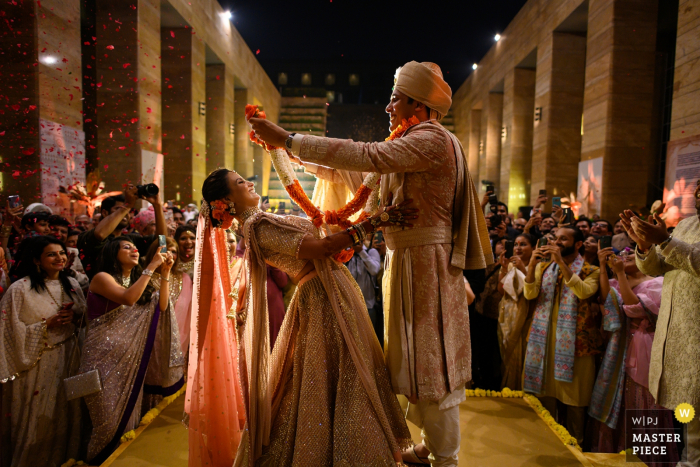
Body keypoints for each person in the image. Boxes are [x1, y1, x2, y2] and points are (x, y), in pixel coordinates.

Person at [250, 61, 492, 466]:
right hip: (407, 262)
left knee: (432, 364)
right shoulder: (411, 141)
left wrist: (290, 139)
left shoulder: (432, 139)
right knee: (412, 362)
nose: (388, 107)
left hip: (427, 267)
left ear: (418, 103)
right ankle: (432, 446)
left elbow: (368, 155)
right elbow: (359, 171)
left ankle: (445, 456)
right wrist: (286, 150)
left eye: (395, 98)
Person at [198, 169, 415, 466]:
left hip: (326, 290)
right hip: (323, 297)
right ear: (226, 201)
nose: (249, 182)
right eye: (240, 183)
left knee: (342, 372)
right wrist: (375, 222)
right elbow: (323, 247)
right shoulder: (258, 227)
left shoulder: (258, 223)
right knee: (345, 372)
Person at [621, 182, 700, 466]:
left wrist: (664, 240)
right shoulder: (689, 225)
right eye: (699, 190)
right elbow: (656, 268)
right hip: (680, 336)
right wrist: (645, 245)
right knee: (688, 429)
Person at [79, 237, 173, 464]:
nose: (133, 249)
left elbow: (162, 306)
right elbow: (129, 299)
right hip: (101, 361)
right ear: (113, 253)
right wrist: (151, 267)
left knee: (127, 421)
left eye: (134, 246)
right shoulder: (102, 278)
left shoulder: (137, 279)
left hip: (129, 361)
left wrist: (165, 273)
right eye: (126, 247)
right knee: (106, 424)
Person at [0, 236, 86, 467]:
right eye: (51, 254)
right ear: (37, 260)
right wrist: (45, 325)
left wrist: (75, 317)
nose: (59, 257)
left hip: (69, 357)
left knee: (67, 417)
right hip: (36, 364)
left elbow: (85, 320)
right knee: (37, 420)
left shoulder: (73, 284)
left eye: (61, 253)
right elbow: (7, 330)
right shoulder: (20, 289)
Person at [524, 227, 602, 446]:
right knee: (545, 398)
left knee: (575, 402)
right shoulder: (543, 267)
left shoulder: (591, 270)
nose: (557, 242)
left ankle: (576, 449)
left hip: (576, 345)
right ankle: (545, 444)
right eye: (555, 238)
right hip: (545, 343)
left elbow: (584, 292)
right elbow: (529, 293)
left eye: (563, 239)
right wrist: (531, 264)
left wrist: (561, 264)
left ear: (578, 244)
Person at [77, 185, 166, 278]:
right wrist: (127, 205)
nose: (126, 213)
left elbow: (161, 243)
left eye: (128, 210)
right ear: (104, 213)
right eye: (119, 208)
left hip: (134, 291)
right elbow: (100, 234)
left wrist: (157, 205)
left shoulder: (130, 239)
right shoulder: (86, 237)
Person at [142, 238, 187, 409]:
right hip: (153, 338)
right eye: (165, 250)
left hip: (180, 337)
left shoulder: (184, 278)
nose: (169, 255)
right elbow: (162, 307)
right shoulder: (145, 277)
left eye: (174, 251)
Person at [497, 233, 535, 390]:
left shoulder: (538, 266)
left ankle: (520, 390)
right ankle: (507, 388)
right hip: (507, 314)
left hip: (525, 314)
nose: (518, 247)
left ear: (533, 248)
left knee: (520, 352)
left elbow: (534, 293)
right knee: (506, 353)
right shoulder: (509, 264)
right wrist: (505, 268)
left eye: (524, 244)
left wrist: (523, 268)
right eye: (516, 244)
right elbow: (501, 291)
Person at [345, 242, 382, 342]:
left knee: (369, 341)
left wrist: (361, 252)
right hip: (349, 307)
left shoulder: (371, 252)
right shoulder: (346, 254)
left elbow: (374, 270)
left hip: (368, 306)